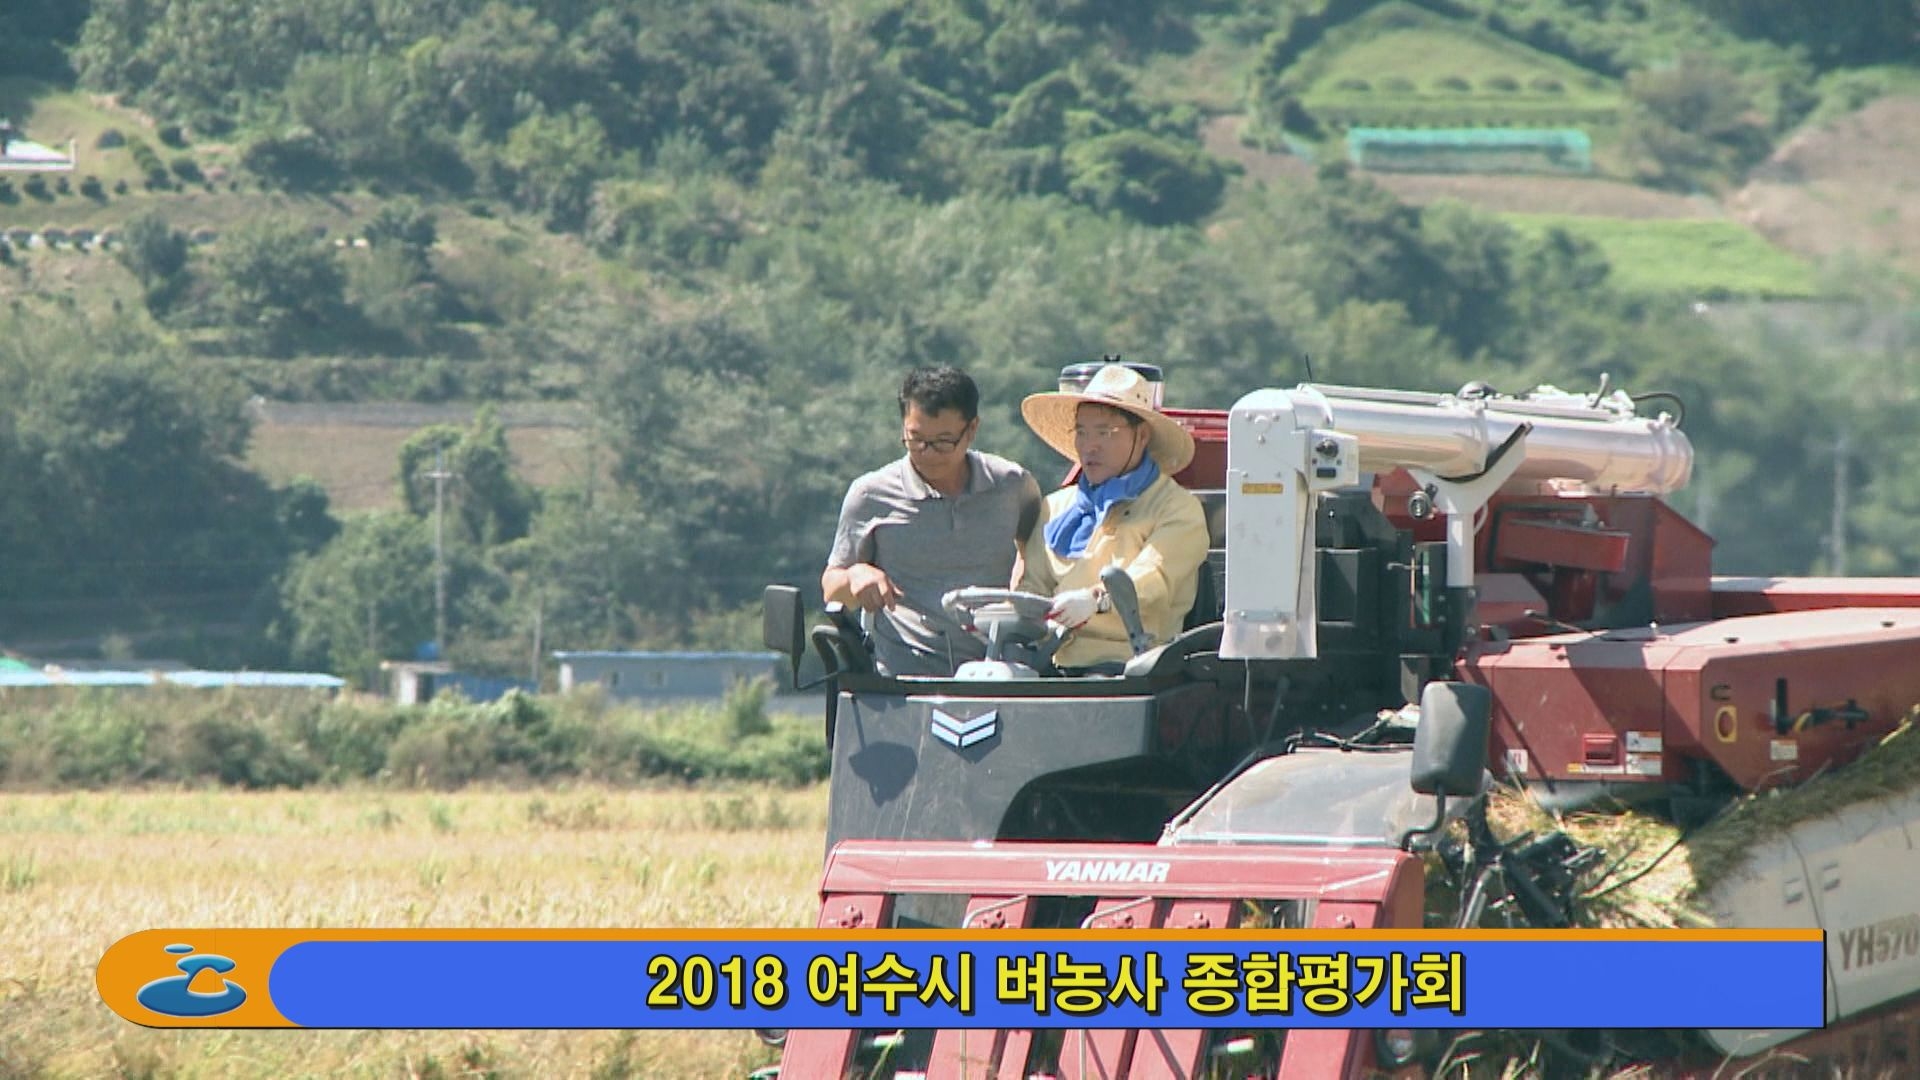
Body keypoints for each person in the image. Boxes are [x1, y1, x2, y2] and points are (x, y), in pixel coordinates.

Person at [823, 366, 1043, 676]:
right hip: (902, 682)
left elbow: (1037, 554)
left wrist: (1018, 601)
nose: (928, 454)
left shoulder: (1012, 485)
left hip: (998, 674)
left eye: (943, 442)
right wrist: (856, 576)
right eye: (916, 440)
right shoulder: (870, 495)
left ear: (972, 430)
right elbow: (832, 589)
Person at [1018, 362, 1209, 670]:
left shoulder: (1177, 508)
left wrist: (1096, 601)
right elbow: (1033, 586)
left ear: (1142, 436)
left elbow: (1152, 580)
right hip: (1050, 666)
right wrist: (1011, 613)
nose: (1089, 445)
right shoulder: (1056, 507)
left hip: (1133, 668)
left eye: (1105, 432)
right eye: (1081, 432)